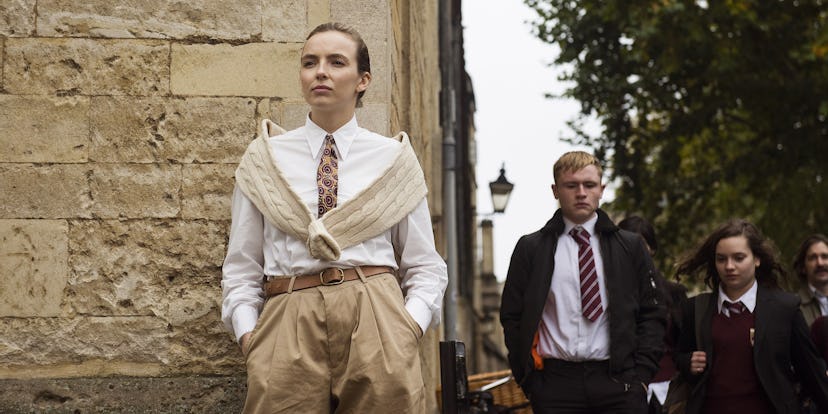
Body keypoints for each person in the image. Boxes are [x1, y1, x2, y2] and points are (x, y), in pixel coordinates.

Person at [221, 22, 447, 413]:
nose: (320, 71)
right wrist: (251, 337)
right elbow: (242, 266)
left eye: (335, 62)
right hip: (287, 314)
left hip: (377, 315)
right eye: (310, 62)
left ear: (363, 80)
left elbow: (425, 265)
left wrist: (406, 328)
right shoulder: (264, 160)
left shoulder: (393, 161)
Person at [500, 151, 666, 413]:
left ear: (601, 189)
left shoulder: (630, 246)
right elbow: (512, 316)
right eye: (571, 185)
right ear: (555, 190)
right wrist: (529, 381)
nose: (581, 193)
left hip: (619, 384)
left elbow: (653, 313)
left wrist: (641, 378)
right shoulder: (531, 248)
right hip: (555, 385)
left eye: (589, 185)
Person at [674, 219, 828, 414]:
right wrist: (688, 362)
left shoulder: (784, 308)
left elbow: (811, 372)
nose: (729, 266)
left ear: (756, 259)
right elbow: (679, 356)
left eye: (739, 258)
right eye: (721, 259)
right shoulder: (695, 309)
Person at [617, 215, 687, 414]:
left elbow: (685, 345)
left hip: (671, 393)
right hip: (624, 394)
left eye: (640, 245)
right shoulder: (606, 297)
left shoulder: (675, 293)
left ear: (652, 249)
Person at [793, 234, 828, 327]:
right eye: (813, 258)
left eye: (824, 256)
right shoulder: (795, 307)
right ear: (803, 267)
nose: (820, 263)